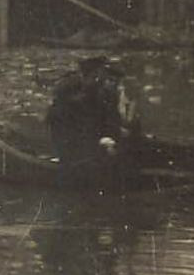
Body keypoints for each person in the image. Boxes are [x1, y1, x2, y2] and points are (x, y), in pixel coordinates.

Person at [46, 56, 139, 186]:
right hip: (76, 154)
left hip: (88, 146)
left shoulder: (97, 95)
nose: (102, 80)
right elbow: (74, 133)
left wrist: (118, 131)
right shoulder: (73, 99)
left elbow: (101, 123)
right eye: (98, 75)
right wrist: (100, 143)